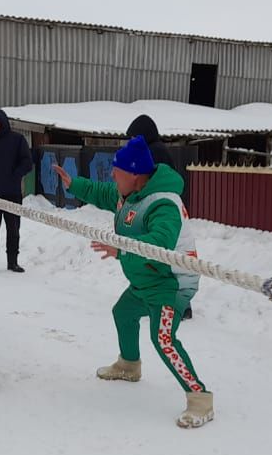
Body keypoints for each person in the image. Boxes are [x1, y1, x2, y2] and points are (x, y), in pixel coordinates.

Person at [54, 135, 213, 429]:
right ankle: (129, 365)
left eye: (118, 170)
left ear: (136, 174)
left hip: (170, 283)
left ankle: (200, 397)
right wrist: (73, 184)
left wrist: (123, 247)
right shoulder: (129, 194)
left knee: (163, 339)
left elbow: (160, 242)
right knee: (123, 313)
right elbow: (102, 192)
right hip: (146, 279)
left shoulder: (164, 203)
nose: (112, 175)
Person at [126, 114, 195, 320]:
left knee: (162, 256)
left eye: (132, 138)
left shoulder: (153, 152)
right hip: (164, 209)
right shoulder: (158, 150)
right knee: (165, 256)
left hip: (159, 211)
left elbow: (147, 183)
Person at [0, 109, 32, 273]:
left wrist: (15, 174)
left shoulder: (17, 140)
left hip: (12, 193)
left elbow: (27, 162)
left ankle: (13, 262)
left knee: (13, 230)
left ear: (3, 124)